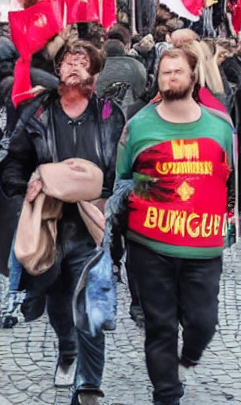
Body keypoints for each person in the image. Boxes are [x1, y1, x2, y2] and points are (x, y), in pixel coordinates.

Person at [1, 41, 125, 405]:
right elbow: (13, 161)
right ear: (58, 71)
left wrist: (109, 196)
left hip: (91, 226)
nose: (73, 67)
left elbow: (121, 166)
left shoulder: (109, 114)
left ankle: (87, 387)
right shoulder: (37, 112)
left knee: (90, 305)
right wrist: (25, 185)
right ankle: (67, 348)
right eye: (67, 62)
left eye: (82, 62)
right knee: (59, 304)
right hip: (50, 227)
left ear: (95, 73)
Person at [115, 46, 234, 405]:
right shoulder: (138, 125)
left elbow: (230, 178)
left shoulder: (219, 126)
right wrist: (147, 191)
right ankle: (166, 394)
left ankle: (191, 354)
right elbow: (121, 181)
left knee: (203, 321)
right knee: (160, 327)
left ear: (193, 76)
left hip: (202, 246)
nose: (171, 77)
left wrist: (230, 216)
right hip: (150, 246)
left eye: (178, 71)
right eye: (165, 72)